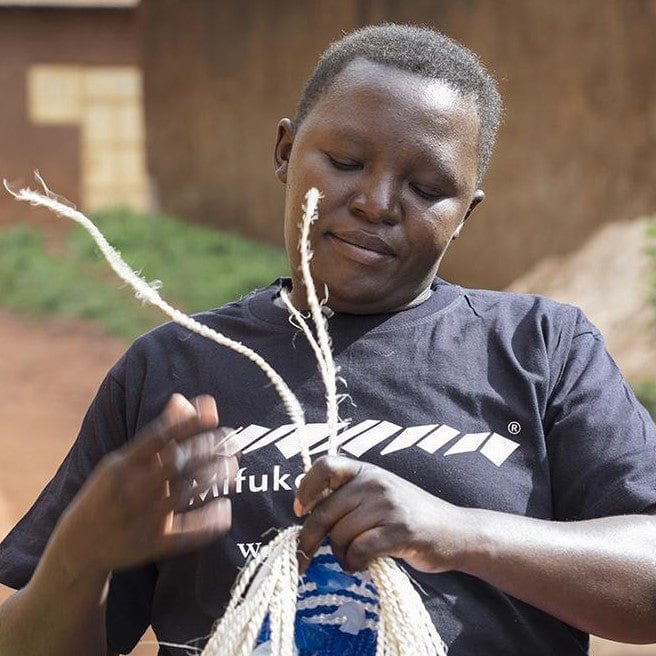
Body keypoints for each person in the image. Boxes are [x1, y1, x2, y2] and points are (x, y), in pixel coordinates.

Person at [1, 22, 655, 656]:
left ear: (465, 215)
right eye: (345, 162)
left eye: (428, 189)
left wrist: (459, 532)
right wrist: (78, 557)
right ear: (284, 152)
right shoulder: (175, 368)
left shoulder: (541, 348)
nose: (376, 202)